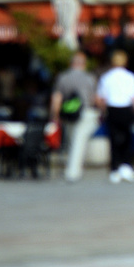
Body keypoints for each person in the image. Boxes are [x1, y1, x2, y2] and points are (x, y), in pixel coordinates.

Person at [95, 50, 134, 183]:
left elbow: (99, 99)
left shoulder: (106, 77)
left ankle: (114, 169)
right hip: (126, 109)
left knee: (113, 140)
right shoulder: (130, 77)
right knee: (127, 139)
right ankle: (126, 165)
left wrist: (103, 111)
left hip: (112, 109)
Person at [50, 51, 98, 183]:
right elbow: (94, 98)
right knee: (79, 142)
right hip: (85, 112)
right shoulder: (90, 78)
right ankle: (73, 172)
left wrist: (55, 115)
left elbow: (57, 98)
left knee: (72, 141)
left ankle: (73, 169)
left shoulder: (63, 77)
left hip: (69, 113)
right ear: (84, 64)